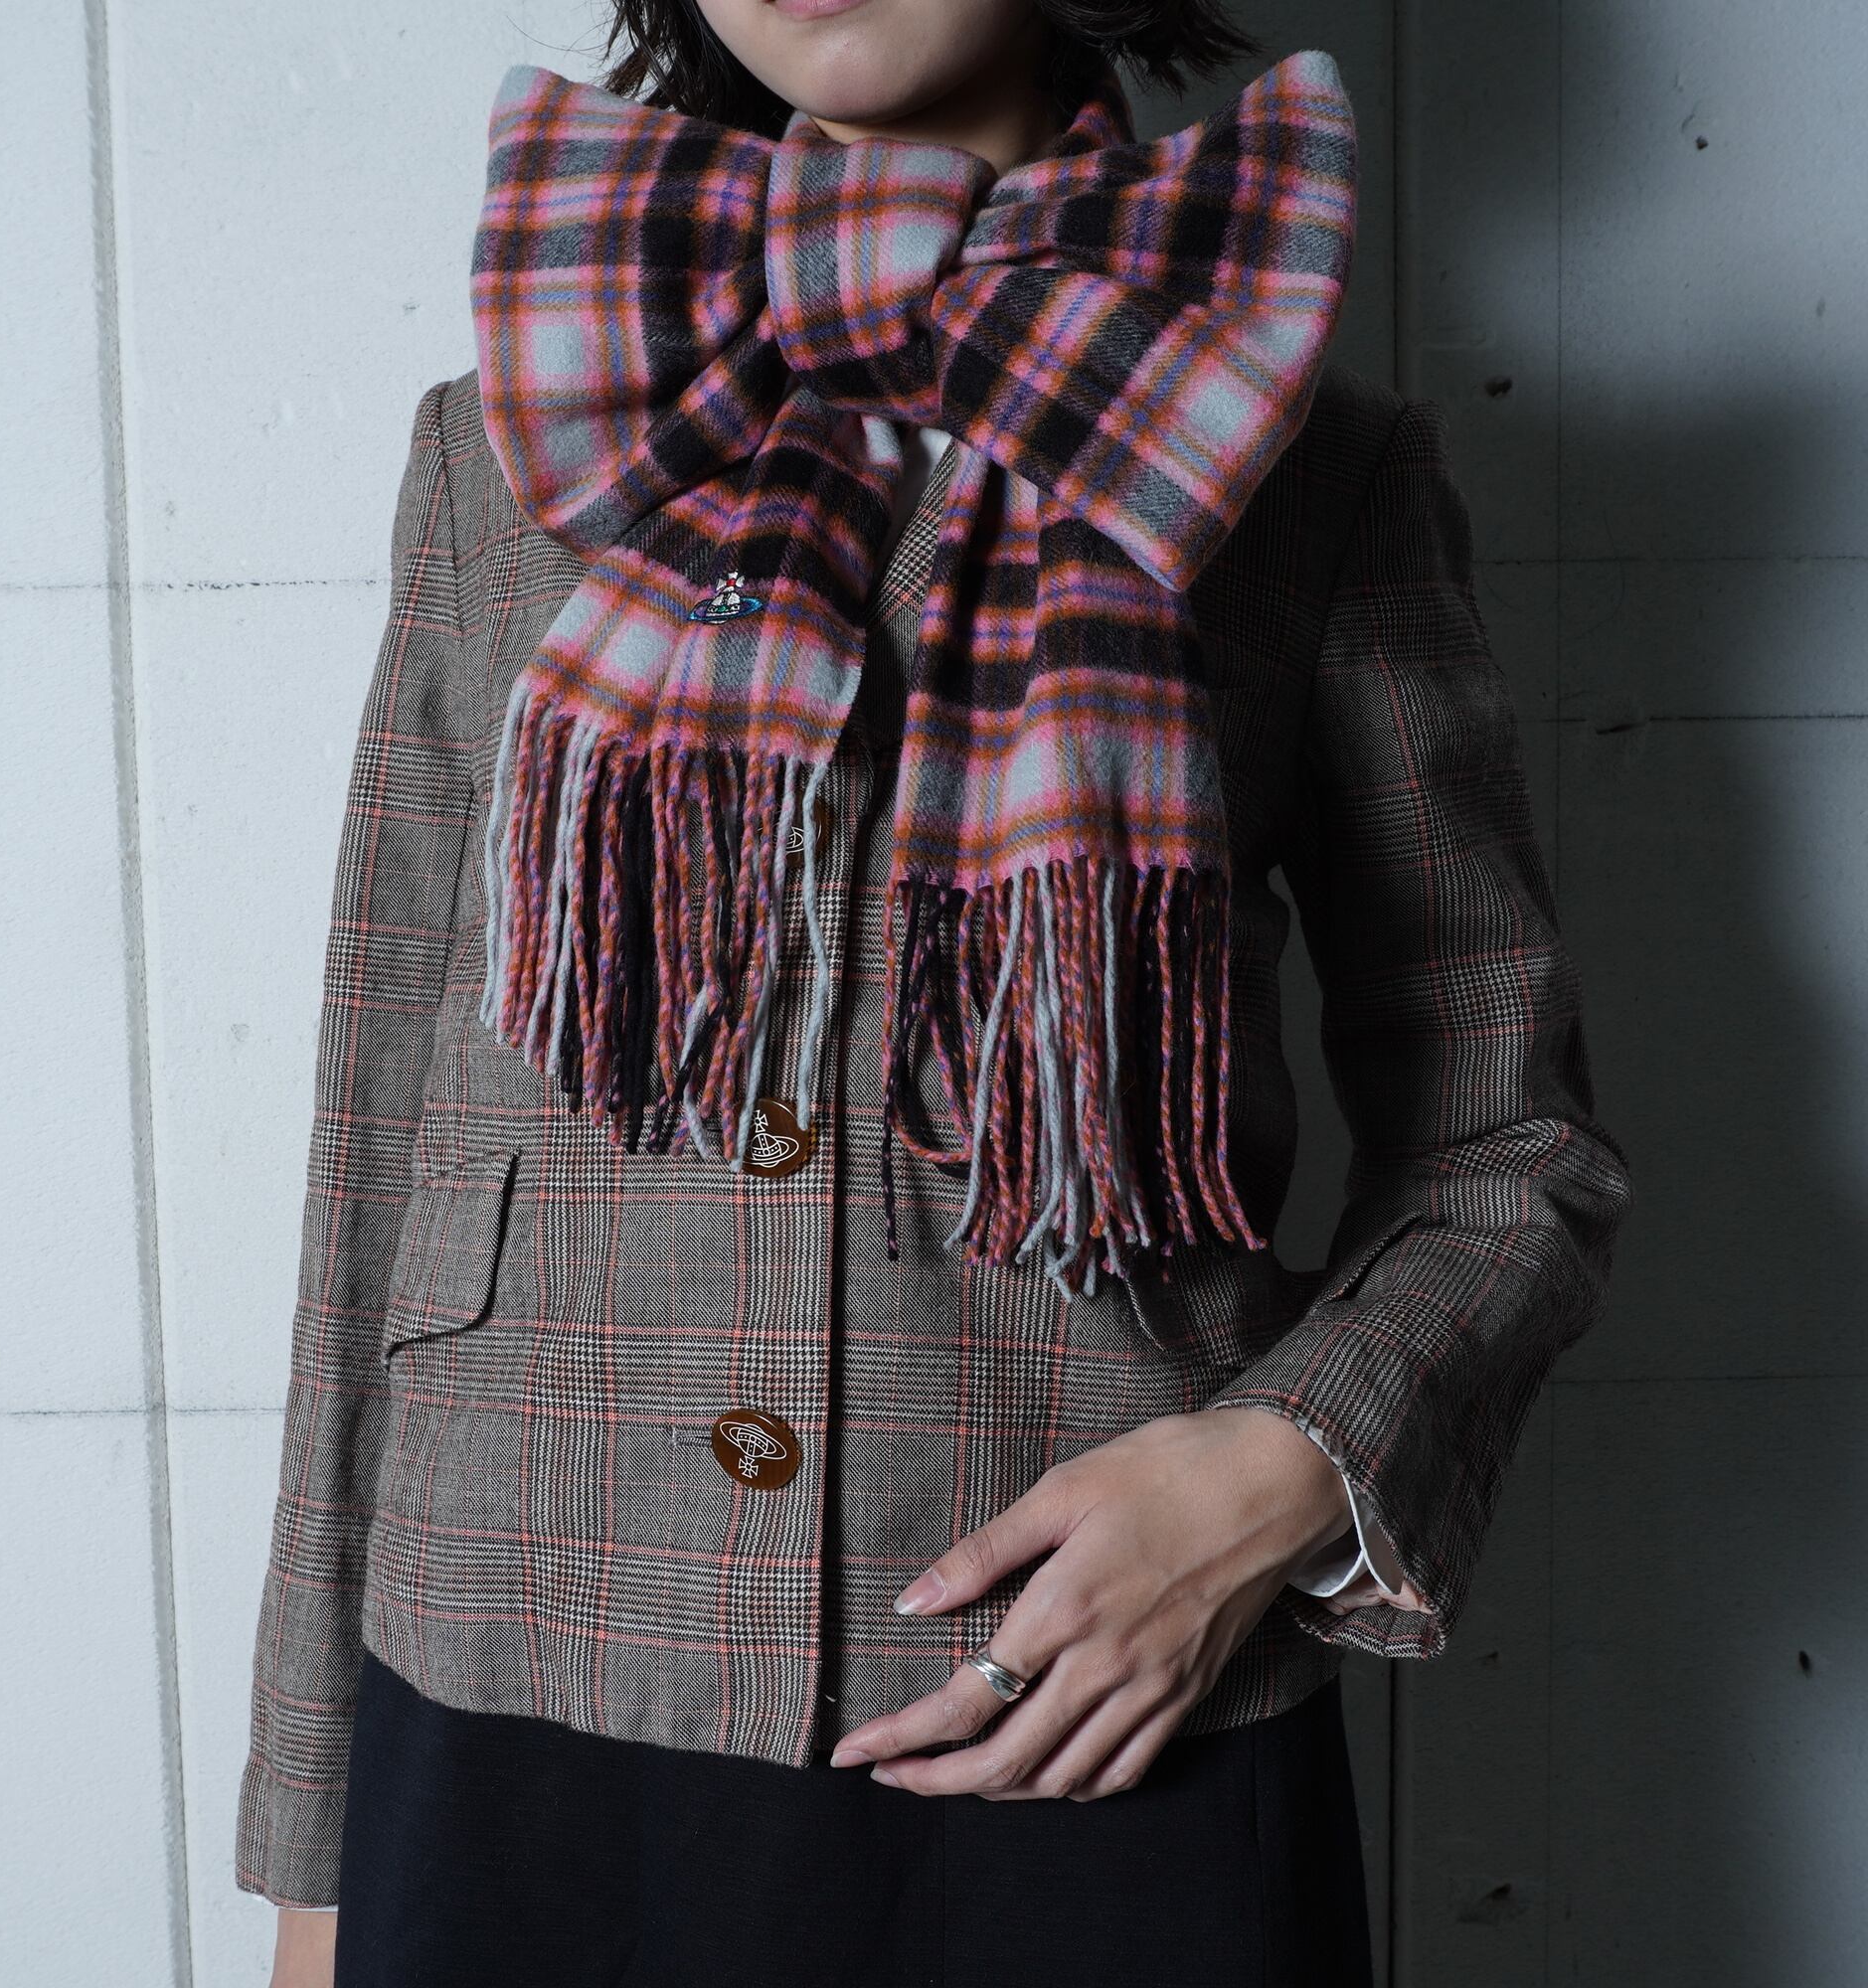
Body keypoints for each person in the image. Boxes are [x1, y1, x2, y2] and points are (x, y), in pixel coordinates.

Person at [237, 2, 1633, 1982]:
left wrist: (1271, 1474)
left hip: (1089, 1713)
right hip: (508, 1728)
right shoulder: (521, 431)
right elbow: (379, 1153)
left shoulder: (1298, 461)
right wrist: (313, 1850)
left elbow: (1510, 1149)